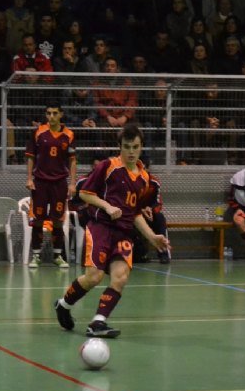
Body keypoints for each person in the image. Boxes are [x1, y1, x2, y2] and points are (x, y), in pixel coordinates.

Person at [54, 124, 170, 338]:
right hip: (101, 228)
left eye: (135, 147)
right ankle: (63, 304)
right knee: (94, 277)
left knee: (120, 277)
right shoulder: (108, 167)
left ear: (141, 147)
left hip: (124, 234)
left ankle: (98, 322)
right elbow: (85, 194)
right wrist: (107, 206)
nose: (131, 152)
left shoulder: (145, 179)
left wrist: (152, 237)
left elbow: (135, 213)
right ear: (119, 147)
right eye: (127, 147)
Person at [25, 104, 77, 268]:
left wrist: (73, 183)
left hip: (60, 183)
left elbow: (72, 160)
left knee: (57, 220)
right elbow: (30, 156)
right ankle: (36, 256)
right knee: (38, 220)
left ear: (61, 114)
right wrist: (29, 178)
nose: (51, 116)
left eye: (55, 113)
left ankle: (57, 256)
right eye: (48, 113)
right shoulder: (38, 132)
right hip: (40, 181)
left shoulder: (69, 134)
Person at [133, 161, 171, 264]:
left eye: (144, 168)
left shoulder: (154, 182)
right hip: (134, 215)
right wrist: (140, 210)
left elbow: (158, 202)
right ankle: (137, 255)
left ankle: (164, 254)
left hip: (150, 215)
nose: (142, 171)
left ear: (148, 169)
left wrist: (150, 209)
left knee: (160, 218)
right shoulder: (131, 182)